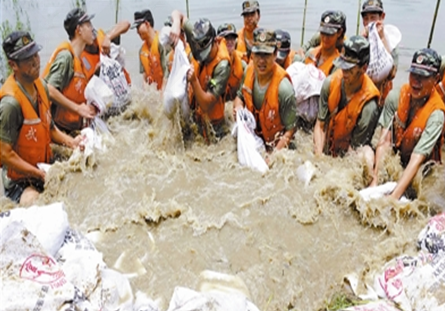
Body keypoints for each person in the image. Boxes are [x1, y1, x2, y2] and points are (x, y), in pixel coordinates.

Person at [0, 31, 83, 205]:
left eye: (36, 54)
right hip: (20, 180)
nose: (36, 61)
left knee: (78, 186)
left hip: (43, 165)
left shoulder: (42, 87)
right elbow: (5, 154)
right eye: (27, 58)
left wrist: (72, 142)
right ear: (13, 65)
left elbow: (50, 128)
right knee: (36, 204)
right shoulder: (10, 105)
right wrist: (38, 174)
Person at [370, 49, 445, 200]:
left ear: (436, 78)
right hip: (400, 155)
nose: (416, 82)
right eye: (414, 75)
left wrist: (394, 196)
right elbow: (384, 142)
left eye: (423, 77)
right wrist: (375, 180)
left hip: (422, 168)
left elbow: (418, 158)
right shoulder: (396, 97)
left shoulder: (436, 115)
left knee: (429, 197)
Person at [313, 36, 380, 163]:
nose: (344, 72)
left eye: (350, 68)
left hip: (350, 151)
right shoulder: (330, 83)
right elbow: (320, 126)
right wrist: (319, 158)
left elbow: (354, 150)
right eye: (343, 66)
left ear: (364, 68)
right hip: (329, 145)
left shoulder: (369, 106)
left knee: (365, 156)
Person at [233, 29, 297, 152]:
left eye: (266, 55)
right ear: (252, 54)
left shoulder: (284, 89)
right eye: (258, 54)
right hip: (254, 138)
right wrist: (238, 108)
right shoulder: (248, 71)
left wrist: (273, 157)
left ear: (275, 54)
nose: (261, 61)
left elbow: (290, 131)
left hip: (276, 145)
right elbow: (239, 96)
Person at [170, 11, 231, 141]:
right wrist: (176, 24)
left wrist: (194, 81)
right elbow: (178, 14)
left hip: (214, 127)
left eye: (207, 52)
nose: (204, 57)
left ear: (215, 41)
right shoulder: (197, 32)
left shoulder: (222, 66)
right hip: (195, 117)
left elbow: (206, 104)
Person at [42, 8, 97, 134]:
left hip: (69, 129)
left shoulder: (81, 61)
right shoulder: (66, 57)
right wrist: (78, 109)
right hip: (55, 130)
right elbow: (49, 89)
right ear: (79, 30)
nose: (92, 29)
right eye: (88, 25)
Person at [360, 0, 399, 107]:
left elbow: (392, 73)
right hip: (362, 93)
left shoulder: (391, 41)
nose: (369, 23)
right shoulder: (360, 40)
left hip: (382, 97)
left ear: (382, 17)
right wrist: (361, 41)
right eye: (366, 19)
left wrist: (382, 39)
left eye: (373, 18)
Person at [132, 9, 167, 90]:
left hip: (165, 89)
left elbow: (167, 72)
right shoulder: (141, 51)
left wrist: (163, 93)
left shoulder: (162, 43)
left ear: (147, 24)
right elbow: (144, 78)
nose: (137, 32)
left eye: (138, 27)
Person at [304, 11, 343, 77]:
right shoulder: (311, 53)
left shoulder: (337, 64)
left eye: (329, 34)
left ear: (339, 33)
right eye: (323, 33)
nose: (325, 38)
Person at [217, 23, 246, 101]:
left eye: (232, 38)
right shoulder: (213, 63)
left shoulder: (242, 65)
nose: (229, 41)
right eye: (226, 38)